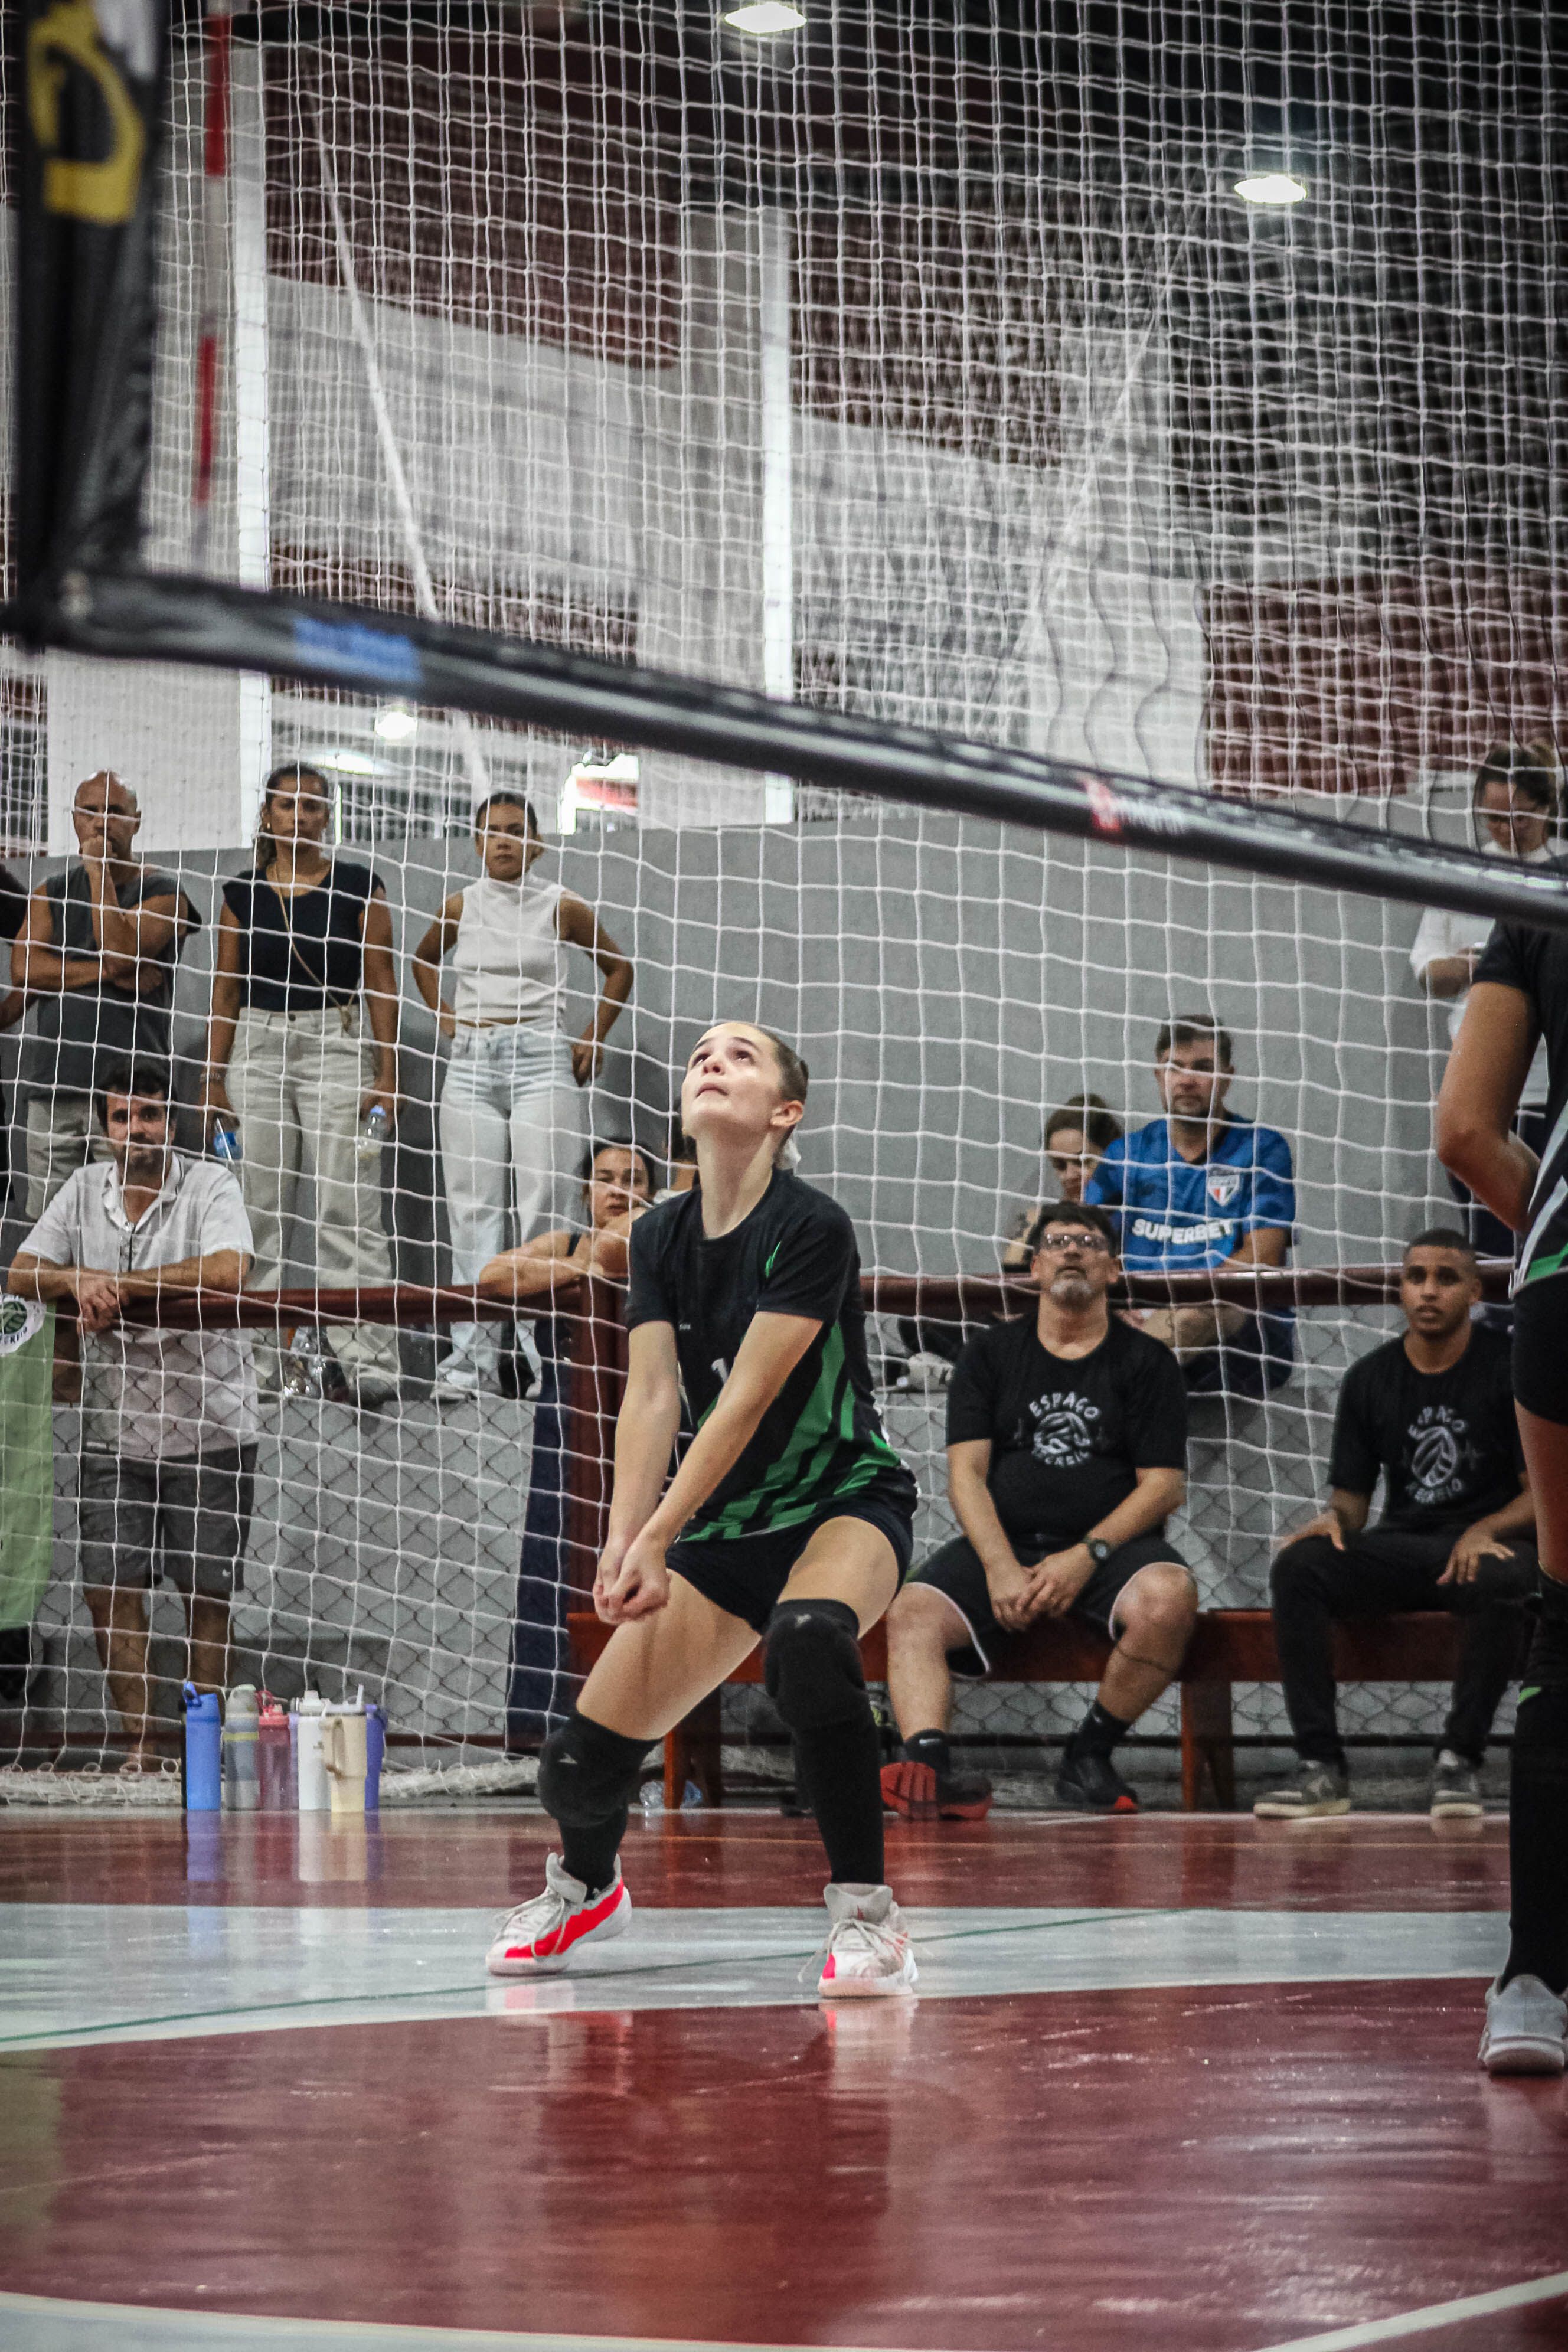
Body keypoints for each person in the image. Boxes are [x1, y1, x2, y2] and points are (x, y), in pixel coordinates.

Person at [484, 1019, 922, 1995]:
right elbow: (649, 1398)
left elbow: (744, 1399)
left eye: (741, 1055)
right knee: (574, 1767)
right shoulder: (655, 1234)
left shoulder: (813, 1224)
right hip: (726, 1526)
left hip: (840, 1502)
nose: (712, 1062)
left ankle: (869, 1915)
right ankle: (585, 1888)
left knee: (809, 1636)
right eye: (700, 1057)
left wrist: (659, 1532)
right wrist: (621, 1540)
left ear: (785, 1110)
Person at [881, 1197, 1194, 1818]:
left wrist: (1086, 1555)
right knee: (911, 1611)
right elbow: (966, 1477)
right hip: (1009, 1545)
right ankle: (929, 1770)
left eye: (1089, 1243)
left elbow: (1162, 1487)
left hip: (1110, 1552)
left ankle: (1089, 1755)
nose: (1072, 1250)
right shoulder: (989, 1355)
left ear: (1113, 1269)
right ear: (1035, 1268)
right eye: (1056, 1242)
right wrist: (999, 1565)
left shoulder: (1147, 1361)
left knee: (1171, 1599)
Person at [8, 1059, 256, 1768]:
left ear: (172, 1125)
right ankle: (141, 1746)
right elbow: (23, 1272)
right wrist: (76, 1278)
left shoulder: (211, 1184)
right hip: (114, 1431)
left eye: (150, 1115)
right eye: (123, 1117)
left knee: (207, 1595)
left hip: (211, 1424)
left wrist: (120, 1285)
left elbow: (230, 1269)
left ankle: (202, 1749)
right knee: (107, 1591)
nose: (137, 1129)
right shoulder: (82, 1188)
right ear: (105, 1129)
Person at [1254, 1229, 1537, 1823]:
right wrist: (1331, 1520)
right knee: (1299, 1567)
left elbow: (1542, 1494)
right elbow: (1352, 1503)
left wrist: (1486, 1529)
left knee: (1507, 1578)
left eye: (1446, 1278)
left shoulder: (1509, 1369)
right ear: (1400, 1290)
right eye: (1416, 1277)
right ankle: (1320, 1766)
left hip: (1482, 1549)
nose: (1429, 1291)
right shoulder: (1369, 1377)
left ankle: (1459, 1758)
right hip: (1404, 1547)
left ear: (1475, 1292)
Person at [1438, 870, 1568, 2075]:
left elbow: (1463, 1133)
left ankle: (1534, 1976)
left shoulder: (1537, 899)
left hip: (1565, 1269)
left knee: (1565, 1619)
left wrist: (1548, 1239)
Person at [411, 794, 633, 1402]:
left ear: (536, 843)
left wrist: (593, 1034)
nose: (503, 840)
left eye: (515, 831)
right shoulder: (460, 904)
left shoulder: (561, 904)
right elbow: (423, 960)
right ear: (477, 842)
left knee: (543, 1214)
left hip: (542, 1062)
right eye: (491, 832)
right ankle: (469, 1366)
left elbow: (619, 968)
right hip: (471, 1066)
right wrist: (447, 1017)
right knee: (472, 1216)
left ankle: (549, 1366)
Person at [202, 763, 400, 1406]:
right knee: (257, 1209)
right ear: (268, 815)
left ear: (326, 817)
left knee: (349, 1203)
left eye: (312, 806)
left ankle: (367, 1362)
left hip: (337, 1042)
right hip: (257, 1048)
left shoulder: (360, 886)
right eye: (287, 805)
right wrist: (213, 1079)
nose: (299, 816)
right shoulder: (240, 893)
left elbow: (381, 982)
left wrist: (388, 1073)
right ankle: (258, 1369)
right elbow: (225, 990)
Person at [477, 1138, 655, 1742]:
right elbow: (494, 1276)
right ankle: (544, 1731)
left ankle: (644, 1732)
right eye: (606, 1177)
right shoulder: (568, 1244)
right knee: (552, 1569)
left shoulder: (660, 1238)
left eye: (633, 1178)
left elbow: (621, 1247)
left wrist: (577, 1271)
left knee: (642, 1570)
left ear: (652, 1191)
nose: (618, 1189)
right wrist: (584, 1271)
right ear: (585, 1191)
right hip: (565, 1430)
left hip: (646, 1427)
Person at [14, 772, 198, 1217]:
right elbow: (26, 970)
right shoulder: (51, 892)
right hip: (55, 1085)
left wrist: (98, 873)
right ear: (74, 820)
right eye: (90, 812)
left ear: (136, 822)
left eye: (114, 811)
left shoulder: (164, 892)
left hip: (131, 1091)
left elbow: (119, 952)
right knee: (51, 1221)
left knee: (129, 1219)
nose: (101, 822)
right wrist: (107, 971)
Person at [1086, 1014, 1295, 1397]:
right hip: (1137, 1316)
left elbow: (1263, 1255)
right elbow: (1089, 1249)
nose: (1186, 1079)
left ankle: (1101, 1398)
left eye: (1202, 1067)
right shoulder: (1125, 1155)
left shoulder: (1261, 1148)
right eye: (1174, 1067)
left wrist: (1172, 1310)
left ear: (1227, 1077)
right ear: (1158, 1075)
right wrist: (1110, 1308)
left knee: (1193, 1316)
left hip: (1237, 1327)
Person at [1413, 743, 1559, 1268]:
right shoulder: (1463, 872)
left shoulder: (1561, 873)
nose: (1506, 830)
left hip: (1551, 1092)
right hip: (1485, 1093)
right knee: (1494, 1247)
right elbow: (1427, 971)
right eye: (1494, 818)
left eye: (1520, 817)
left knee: (1549, 1242)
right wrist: (1485, 966)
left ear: (1548, 808)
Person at [1000, 1094, 1124, 1272]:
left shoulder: (1135, 1218)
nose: (1070, 1175)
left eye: (1082, 1162)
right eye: (1060, 1166)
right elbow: (1011, 1281)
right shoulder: (1034, 1221)